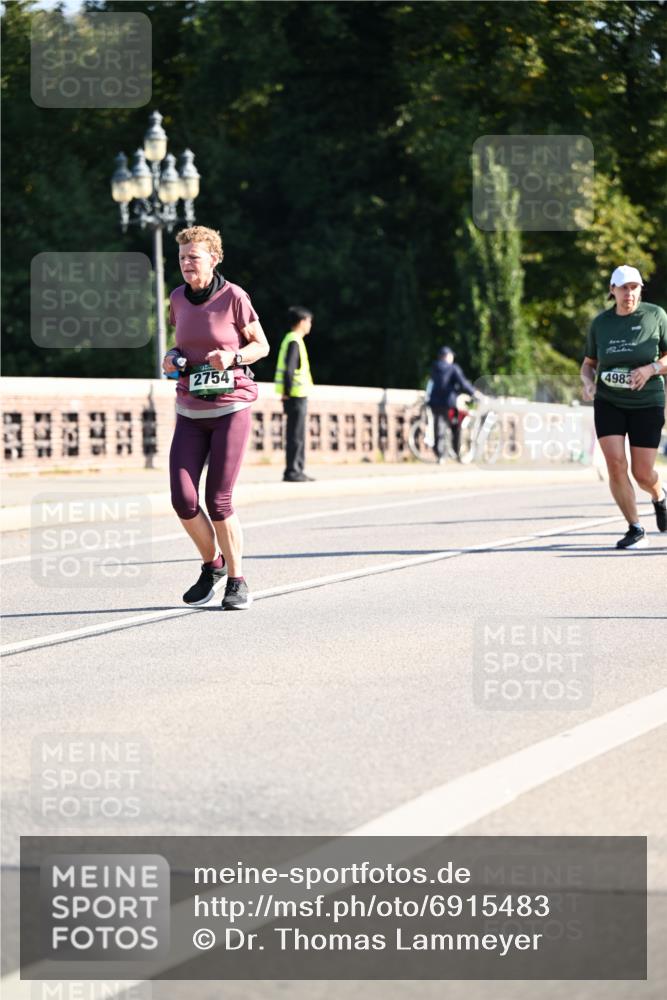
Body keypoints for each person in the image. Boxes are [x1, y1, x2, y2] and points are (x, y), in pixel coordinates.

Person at [162, 225, 270, 608]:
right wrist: (171, 359)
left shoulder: (234, 297)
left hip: (230, 407)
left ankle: (237, 581)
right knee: (182, 498)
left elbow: (262, 344)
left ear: (214, 258)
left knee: (218, 499)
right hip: (190, 408)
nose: (186, 264)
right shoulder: (176, 298)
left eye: (194, 256)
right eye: (181, 258)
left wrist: (234, 356)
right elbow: (181, 346)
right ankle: (213, 564)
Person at [581, 264, 667, 550]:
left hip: (647, 402)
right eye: (623, 288)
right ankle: (635, 527)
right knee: (616, 464)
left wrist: (652, 368)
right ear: (612, 290)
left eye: (634, 287)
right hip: (609, 401)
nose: (629, 293)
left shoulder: (656, 316)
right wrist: (588, 383)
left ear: (640, 289)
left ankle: (659, 496)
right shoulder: (600, 323)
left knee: (643, 473)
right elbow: (588, 364)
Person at [274, 306, 315, 482]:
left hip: (296, 395)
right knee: (295, 435)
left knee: (296, 434)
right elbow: (289, 369)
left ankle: (297, 468)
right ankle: (292, 471)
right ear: (302, 322)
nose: (310, 325)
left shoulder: (293, 340)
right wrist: (287, 392)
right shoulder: (294, 341)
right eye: (309, 321)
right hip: (295, 396)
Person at [425, 346, 478, 461]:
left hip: (434, 402)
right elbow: (463, 383)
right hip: (449, 403)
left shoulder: (434, 367)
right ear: (448, 356)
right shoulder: (453, 368)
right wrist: (475, 393)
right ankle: (456, 452)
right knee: (456, 426)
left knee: (438, 427)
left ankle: (440, 455)